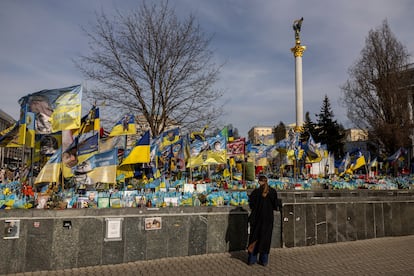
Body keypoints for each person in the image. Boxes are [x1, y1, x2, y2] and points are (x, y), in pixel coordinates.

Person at [247, 175, 278, 266]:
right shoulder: (272, 192)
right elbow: (275, 205)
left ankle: (251, 260)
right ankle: (264, 261)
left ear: (259, 182)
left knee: (254, 238)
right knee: (265, 240)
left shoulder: (255, 192)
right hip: (268, 219)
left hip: (257, 219)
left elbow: (251, 205)